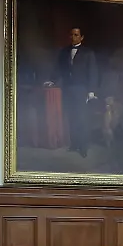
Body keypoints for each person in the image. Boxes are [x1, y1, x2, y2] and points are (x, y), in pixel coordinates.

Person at [44, 27, 99, 158]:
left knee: (82, 118)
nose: (73, 37)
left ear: (81, 37)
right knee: (71, 116)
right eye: (71, 35)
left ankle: (83, 147)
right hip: (67, 88)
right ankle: (74, 144)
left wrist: (91, 91)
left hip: (81, 89)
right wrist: (52, 80)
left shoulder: (88, 53)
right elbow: (59, 68)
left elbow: (93, 72)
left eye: (76, 35)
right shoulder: (64, 52)